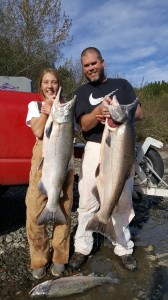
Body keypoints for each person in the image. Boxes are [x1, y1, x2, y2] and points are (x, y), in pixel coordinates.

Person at [69, 47, 143, 271]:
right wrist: (98, 111)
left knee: (122, 201)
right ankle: (82, 248)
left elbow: (138, 113)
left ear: (102, 62)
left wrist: (118, 110)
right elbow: (84, 125)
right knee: (87, 202)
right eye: (86, 65)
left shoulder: (122, 85)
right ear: (83, 68)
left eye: (94, 63)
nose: (90, 68)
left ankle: (123, 247)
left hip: (122, 147)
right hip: (94, 147)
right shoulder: (81, 92)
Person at [25, 68, 74, 279]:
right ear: (41, 85)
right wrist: (46, 111)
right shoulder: (34, 106)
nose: (50, 86)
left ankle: (60, 258)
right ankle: (39, 259)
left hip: (64, 162)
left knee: (64, 210)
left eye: (54, 82)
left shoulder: (66, 106)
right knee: (34, 212)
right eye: (46, 82)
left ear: (58, 84)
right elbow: (37, 131)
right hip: (42, 163)